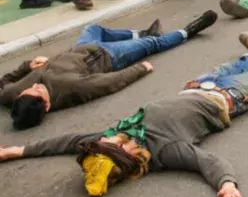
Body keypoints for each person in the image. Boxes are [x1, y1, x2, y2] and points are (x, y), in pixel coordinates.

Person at [0, 29, 248, 197]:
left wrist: (17, 151)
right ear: (122, 153)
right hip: (229, 98)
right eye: (106, 143)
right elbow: (207, 161)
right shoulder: (164, 151)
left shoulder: (120, 134)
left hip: (195, 87)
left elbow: (67, 142)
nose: (103, 138)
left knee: (235, 65)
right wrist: (226, 185)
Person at [0, 12, 217, 129]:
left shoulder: (15, 96)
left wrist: (26, 66)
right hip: (109, 56)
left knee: (93, 28)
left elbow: (3, 85)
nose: (35, 84)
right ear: (46, 105)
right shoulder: (72, 88)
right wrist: (140, 69)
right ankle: (187, 32)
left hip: (80, 47)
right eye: (38, 90)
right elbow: (110, 83)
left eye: (28, 89)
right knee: (153, 43)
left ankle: (139, 32)